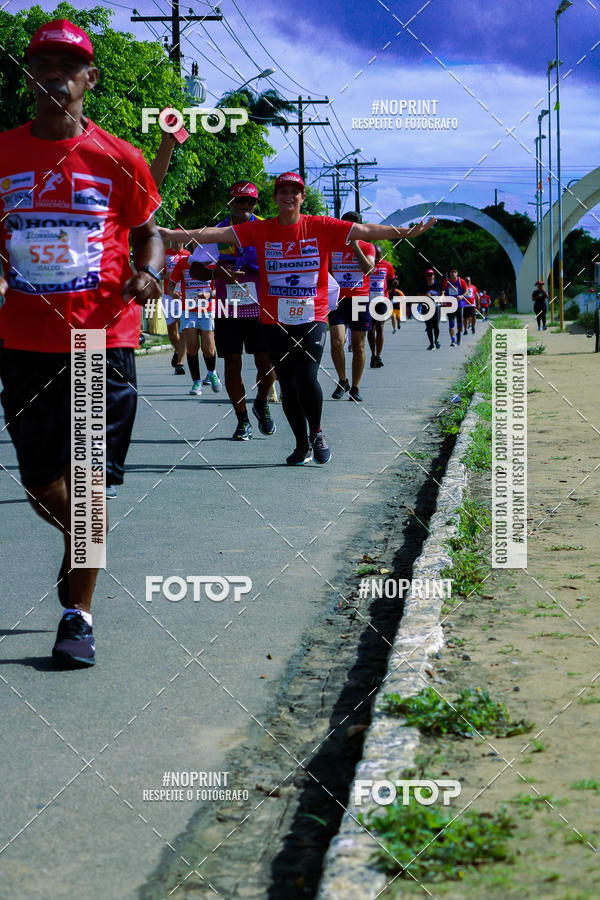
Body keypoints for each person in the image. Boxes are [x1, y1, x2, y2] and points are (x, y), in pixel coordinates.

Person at [0, 20, 163, 667]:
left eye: (70, 65)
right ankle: (85, 541)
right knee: (42, 483)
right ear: (28, 75)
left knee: (90, 487)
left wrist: (148, 271)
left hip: (101, 339)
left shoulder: (120, 158)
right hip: (21, 343)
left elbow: (148, 230)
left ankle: (78, 616)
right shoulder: (4, 153)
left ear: (90, 79)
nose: (55, 75)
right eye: (43, 63)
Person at [159, 172, 435, 463]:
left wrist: (408, 233)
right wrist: (173, 236)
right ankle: (300, 443)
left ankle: (317, 433)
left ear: (302, 197)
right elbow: (215, 235)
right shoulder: (262, 230)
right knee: (288, 384)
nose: (289, 196)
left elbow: (366, 230)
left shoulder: (321, 225)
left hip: (311, 316)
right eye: (283, 191)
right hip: (273, 319)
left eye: (295, 191)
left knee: (306, 377)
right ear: (275, 198)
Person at [189, 182, 275, 439]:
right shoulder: (217, 232)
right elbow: (195, 268)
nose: (245, 206)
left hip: (261, 307)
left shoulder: (266, 230)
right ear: (231, 202)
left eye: (251, 202)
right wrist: (217, 272)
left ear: (256, 204)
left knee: (267, 364)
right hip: (228, 308)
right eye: (240, 201)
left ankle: (261, 403)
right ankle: (242, 420)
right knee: (232, 365)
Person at [328, 211, 376, 402]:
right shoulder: (332, 246)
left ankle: (355, 387)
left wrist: (355, 245)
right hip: (338, 300)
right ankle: (342, 380)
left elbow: (369, 269)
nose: (347, 231)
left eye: (352, 228)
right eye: (344, 226)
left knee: (358, 346)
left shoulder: (367, 245)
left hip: (359, 300)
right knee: (336, 342)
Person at [168, 253, 222, 394]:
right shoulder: (182, 263)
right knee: (192, 348)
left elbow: (220, 288)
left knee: (208, 349)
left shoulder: (212, 262)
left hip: (207, 310)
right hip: (188, 310)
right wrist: (173, 293)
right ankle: (196, 383)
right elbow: (170, 285)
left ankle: (212, 373)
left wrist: (209, 295)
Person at [162, 238, 189, 375]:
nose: (177, 243)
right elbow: (159, 275)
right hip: (168, 296)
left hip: (183, 296)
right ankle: (178, 350)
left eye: (179, 241)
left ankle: (180, 363)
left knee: (183, 330)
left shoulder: (188, 255)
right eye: (174, 241)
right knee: (172, 333)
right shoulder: (165, 254)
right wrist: (169, 274)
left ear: (183, 242)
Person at [367, 246, 395, 368]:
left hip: (382, 299)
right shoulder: (365, 264)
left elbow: (391, 282)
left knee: (380, 326)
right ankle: (373, 355)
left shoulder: (387, 265)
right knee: (370, 328)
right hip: (368, 300)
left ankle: (378, 356)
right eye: (375, 256)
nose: (377, 259)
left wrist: (393, 286)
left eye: (379, 256)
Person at [441, 268, 467, 346]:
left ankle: (459, 336)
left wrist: (462, 296)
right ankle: (453, 340)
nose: (453, 273)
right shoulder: (446, 281)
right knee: (451, 323)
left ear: (457, 273)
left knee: (459, 323)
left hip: (459, 304)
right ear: (450, 274)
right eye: (451, 272)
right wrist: (442, 295)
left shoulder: (461, 281)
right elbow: (443, 290)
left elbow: (467, 291)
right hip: (449, 305)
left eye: (454, 272)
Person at [423, 268, 442, 350]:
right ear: (426, 277)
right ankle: (431, 344)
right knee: (429, 326)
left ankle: (436, 340)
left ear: (434, 276)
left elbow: (442, 293)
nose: (429, 276)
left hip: (436, 306)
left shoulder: (438, 284)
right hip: (426, 307)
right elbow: (418, 295)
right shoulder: (422, 285)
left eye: (431, 275)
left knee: (436, 326)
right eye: (428, 275)